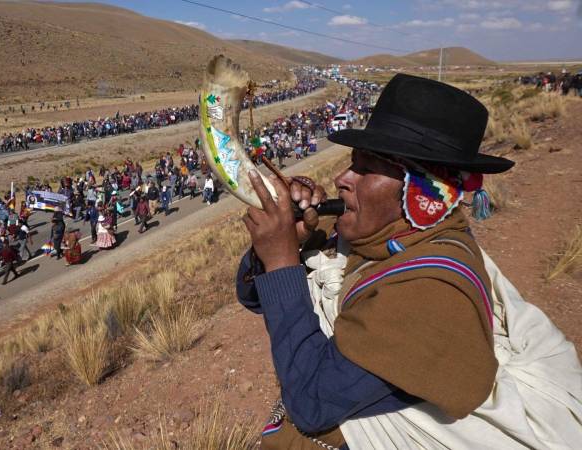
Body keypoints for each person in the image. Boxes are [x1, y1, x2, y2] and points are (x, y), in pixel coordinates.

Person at [237, 74, 582, 449]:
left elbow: (310, 403)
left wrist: (283, 260)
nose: (341, 178)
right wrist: (294, 245)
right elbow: (255, 297)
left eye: (366, 169)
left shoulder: (428, 292)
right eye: (353, 162)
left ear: (422, 192)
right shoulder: (386, 241)